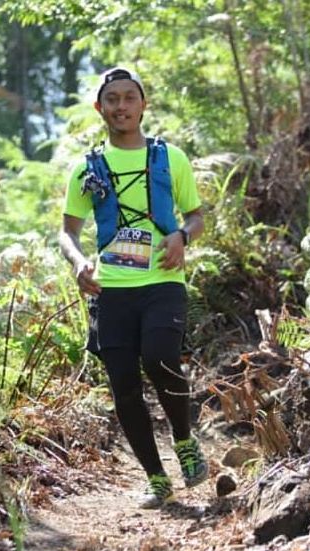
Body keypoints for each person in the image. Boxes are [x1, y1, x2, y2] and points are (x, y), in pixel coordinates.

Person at [59, 67, 208, 509]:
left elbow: (196, 215)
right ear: (99, 107)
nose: (121, 106)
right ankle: (156, 477)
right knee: (123, 385)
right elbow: (67, 231)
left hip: (162, 279)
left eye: (129, 97)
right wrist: (79, 261)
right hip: (111, 289)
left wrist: (182, 236)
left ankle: (183, 440)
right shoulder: (87, 168)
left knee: (160, 359)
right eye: (112, 99)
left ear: (143, 104)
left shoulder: (169, 158)